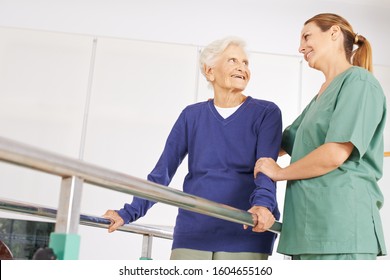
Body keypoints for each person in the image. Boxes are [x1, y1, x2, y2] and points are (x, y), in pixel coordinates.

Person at [103, 36, 282, 260]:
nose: (242, 68)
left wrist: (263, 206)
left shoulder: (266, 112)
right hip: (194, 231)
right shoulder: (192, 116)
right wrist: (127, 213)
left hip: (245, 230)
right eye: (233, 61)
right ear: (210, 71)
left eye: (245, 63)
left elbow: (266, 169)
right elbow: (162, 173)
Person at [253, 13, 387, 260]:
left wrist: (279, 173)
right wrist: (233, 109)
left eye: (306, 36)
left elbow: (335, 154)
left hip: (341, 229)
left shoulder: (359, 82)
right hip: (309, 230)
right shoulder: (321, 96)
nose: (300, 47)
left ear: (334, 33)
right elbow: (282, 142)